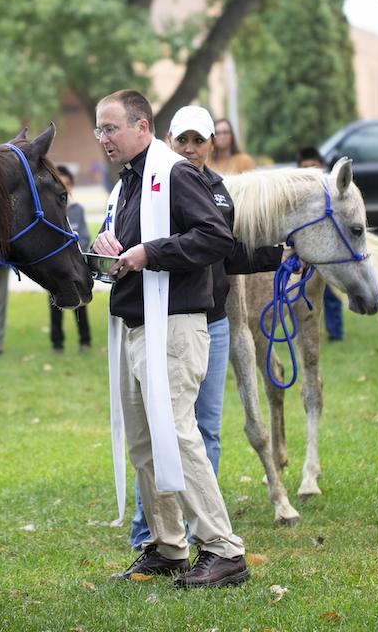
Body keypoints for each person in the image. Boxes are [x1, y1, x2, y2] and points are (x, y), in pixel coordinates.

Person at [92, 89, 250, 589]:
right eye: (99, 129)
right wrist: (105, 247)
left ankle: (224, 550)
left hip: (175, 327)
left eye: (110, 127)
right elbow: (119, 248)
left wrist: (149, 253)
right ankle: (168, 546)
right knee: (143, 443)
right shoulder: (125, 187)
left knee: (178, 437)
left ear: (143, 127)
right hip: (134, 326)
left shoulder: (176, 173)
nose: (102, 138)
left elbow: (217, 238)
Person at [128, 106, 283, 551]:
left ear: (213, 143)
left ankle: (201, 531)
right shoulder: (159, 184)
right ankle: (150, 531)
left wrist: (275, 255)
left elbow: (225, 254)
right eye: (184, 140)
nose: (192, 149)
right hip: (170, 317)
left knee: (205, 428)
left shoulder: (218, 190)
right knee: (162, 428)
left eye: (200, 140)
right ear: (170, 141)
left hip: (215, 322)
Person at [297, 146, 344, 342]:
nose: (310, 171)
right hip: (303, 253)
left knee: (330, 294)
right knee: (299, 294)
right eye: (305, 167)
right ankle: (301, 331)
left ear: (322, 166)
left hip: (325, 253)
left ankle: (335, 332)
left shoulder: (329, 193)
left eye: (313, 166)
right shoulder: (296, 193)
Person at [50, 165, 91, 352]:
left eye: (67, 183)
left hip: (75, 265)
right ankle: (57, 343)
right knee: (54, 305)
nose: (64, 187)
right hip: (56, 267)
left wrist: (75, 252)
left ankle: (85, 341)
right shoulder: (50, 212)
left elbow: (84, 235)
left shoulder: (77, 210)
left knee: (80, 305)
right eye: (60, 183)